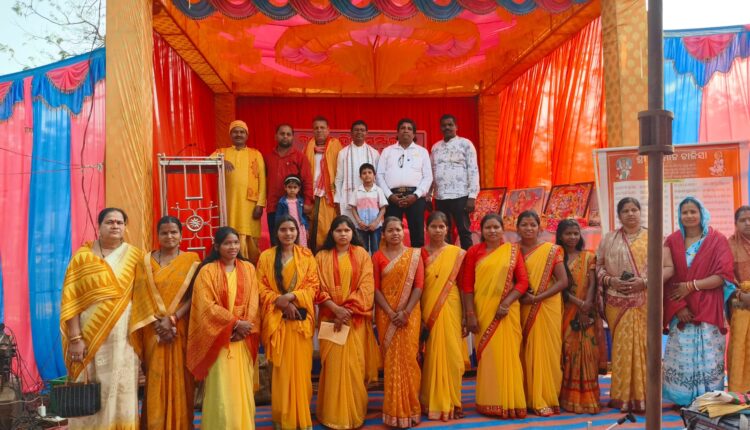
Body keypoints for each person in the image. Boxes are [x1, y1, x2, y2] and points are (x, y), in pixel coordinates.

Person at [60, 208, 142, 429]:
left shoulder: (135, 256)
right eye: (109, 222)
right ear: (99, 226)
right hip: (88, 335)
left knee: (121, 388)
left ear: (125, 227)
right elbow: (71, 300)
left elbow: (145, 298)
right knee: (88, 385)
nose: (115, 226)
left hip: (124, 337)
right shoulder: (82, 258)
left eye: (119, 222)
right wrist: (75, 338)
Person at [662, 197, 735, 407]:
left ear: (702, 213)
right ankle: (682, 398)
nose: (689, 216)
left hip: (709, 306)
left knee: (709, 354)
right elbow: (668, 278)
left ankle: (708, 398)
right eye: (684, 212)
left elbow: (723, 275)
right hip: (680, 306)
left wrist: (691, 285)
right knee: (681, 353)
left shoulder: (717, 240)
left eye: (693, 211)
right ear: (679, 216)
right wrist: (678, 308)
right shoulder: (672, 241)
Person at [129, 216, 200, 429]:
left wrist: (173, 319)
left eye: (174, 232)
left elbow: (195, 295)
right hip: (153, 330)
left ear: (181, 235)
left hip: (180, 327)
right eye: (164, 232)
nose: (169, 236)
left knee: (182, 380)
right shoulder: (144, 262)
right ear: (157, 235)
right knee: (155, 379)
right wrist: (159, 324)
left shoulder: (192, 260)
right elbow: (139, 297)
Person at [185, 226, 260, 429]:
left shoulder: (249, 268)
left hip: (242, 340)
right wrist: (234, 324)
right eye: (227, 243)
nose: (233, 247)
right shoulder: (207, 271)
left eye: (235, 242)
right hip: (218, 340)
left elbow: (254, 301)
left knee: (241, 387)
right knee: (221, 389)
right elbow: (206, 306)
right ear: (217, 246)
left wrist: (245, 326)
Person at [462, 213, 528, 418]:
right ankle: (489, 401)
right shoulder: (474, 252)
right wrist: (470, 314)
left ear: (503, 229)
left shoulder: (512, 251)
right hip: (484, 311)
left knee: (509, 355)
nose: (492, 231)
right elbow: (467, 286)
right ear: (481, 231)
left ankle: (511, 402)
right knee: (489, 356)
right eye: (488, 227)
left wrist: (506, 303)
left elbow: (523, 282)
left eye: (496, 227)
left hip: (507, 312)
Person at [315, 216, 378, 429]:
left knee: (354, 366)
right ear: (331, 233)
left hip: (354, 320)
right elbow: (317, 288)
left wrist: (347, 311)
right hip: (330, 318)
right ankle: (332, 414)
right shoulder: (321, 257)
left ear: (353, 233)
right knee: (332, 367)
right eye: (338, 230)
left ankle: (354, 413)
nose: (343, 234)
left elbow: (367, 286)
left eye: (347, 230)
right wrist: (336, 310)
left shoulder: (361, 254)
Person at [257, 215, 319, 430]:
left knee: (301, 373)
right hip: (277, 323)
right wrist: (280, 302)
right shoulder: (266, 257)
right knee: (281, 373)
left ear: (297, 231)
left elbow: (313, 286)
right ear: (276, 232)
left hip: (300, 324)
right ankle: (283, 419)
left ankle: (301, 419)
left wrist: (291, 297)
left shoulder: (306, 256)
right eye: (283, 229)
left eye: (292, 229)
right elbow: (260, 287)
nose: (288, 233)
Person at [596, 197, 648, 412]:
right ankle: (621, 396)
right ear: (619, 215)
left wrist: (644, 282)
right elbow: (598, 267)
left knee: (643, 347)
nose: (630, 213)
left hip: (643, 302)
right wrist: (611, 281)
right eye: (625, 210)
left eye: (634, 209)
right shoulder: (609, 239)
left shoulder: (653, 237)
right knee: (621, 349)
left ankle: (643, 396)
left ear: (640, 212)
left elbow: (664, 268)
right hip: (616, 302)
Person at [373, 216, 423, 427]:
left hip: (409, 315)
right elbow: (376, 289)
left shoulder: (414, 255)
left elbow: (418, 286)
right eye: (390, 230)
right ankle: (394, 410)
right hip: (386, 315)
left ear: (404, 232)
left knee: (409, 358)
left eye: (398, 229)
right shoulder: (377, 257)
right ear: (383, 234)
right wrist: (390, 312)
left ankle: (411, 408)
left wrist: (406, 312)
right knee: (392, 361)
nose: (395, 233)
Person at [516, 211, 567, 416]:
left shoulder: (551, 251)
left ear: (540, 228)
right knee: (523, 351)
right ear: (517, 228)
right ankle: (525, 397)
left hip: (546, 306)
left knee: (546, 352)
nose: (529, 228)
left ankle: (545, 397)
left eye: (533, 225)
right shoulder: (511, 251)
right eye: (524, 224)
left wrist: (537, 298)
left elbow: (563, 281)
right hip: (520, 306)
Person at [420, 211, 467, 420]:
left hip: (452, 304)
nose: (438, 230)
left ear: (447, 229)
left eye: (441, 226)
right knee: (432, 353)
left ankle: (453, 401)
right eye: (433, 226)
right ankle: (433, 401)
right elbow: (418, 286)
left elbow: (463, 285)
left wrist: (466, 315)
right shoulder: (420, 254)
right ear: (426, 229)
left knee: (452, 353)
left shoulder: (457, 253)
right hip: (429, 306)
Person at [556, 219, 601, 414]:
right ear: (560, 236)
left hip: (586, 311)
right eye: (568, 233)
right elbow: (560, 288)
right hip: (565, 311)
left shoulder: (588, 256)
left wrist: (586, 306)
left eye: (575, 233)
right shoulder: (556, 257)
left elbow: (592, 284)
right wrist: (579, 304)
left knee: (587, 353)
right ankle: (568, 398)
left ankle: (588, 398)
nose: (572, 237)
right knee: (568, 352)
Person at [211, 119, 266, 263]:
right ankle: (229, 262)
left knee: (250, 235)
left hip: (249, 204)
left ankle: (248, 265)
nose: (239, 134)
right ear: (230, 135)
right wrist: (220, 161)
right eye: (235, 132)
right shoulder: (221, 152)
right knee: (229, 230)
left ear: (247, 135)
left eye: (242, 132)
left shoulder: (256, 154)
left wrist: (260, 204)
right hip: (229, 202)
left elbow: (262, 180)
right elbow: (206, 162)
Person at [376, 118, 433, 248]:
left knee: (417, 234)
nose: (406, 131)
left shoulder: (422, 151)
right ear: (397, 132)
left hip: (415, 197)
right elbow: (379, 176)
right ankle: (392, 259)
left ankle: (417, 260)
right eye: (403, 128)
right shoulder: (387, 151)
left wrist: (416, 195)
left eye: (409, 129)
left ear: (414, 134)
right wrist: (390, 196)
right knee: (391, 232)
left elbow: (428, 177)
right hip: (392, 197)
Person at [429, 114, 480, 250]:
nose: (447, 127)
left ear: (456, 127)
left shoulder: (466, 144)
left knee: (463, 231)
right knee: (443, 231)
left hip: (461, 195)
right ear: (440, 128)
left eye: (450, 125)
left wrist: (472, 196)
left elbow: (473, 170)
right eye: (444, 125)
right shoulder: (435, 147)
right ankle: (446, 258)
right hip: (440, 196)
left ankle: (467, 259)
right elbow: (432, 172)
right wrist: (429, 195)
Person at [265, 124, 314, 244]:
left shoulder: (300, 157)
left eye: (288, 134)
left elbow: (307, 180)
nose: (285, 136)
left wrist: (307, 202)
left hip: (294, 207)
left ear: (293, 137)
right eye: (282, 134)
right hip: (273, 206)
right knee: (276, 242)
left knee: (297, 241)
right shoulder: (268, 157)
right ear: (276, 136)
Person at [305, 116, 342, 251]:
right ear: (313, 131)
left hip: (329, 195)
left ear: (328, 130)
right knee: (312, 228)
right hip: (312, 194)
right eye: (316, 128)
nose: (319, 130)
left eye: (322, 128)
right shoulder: (308, 147)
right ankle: (313, 256)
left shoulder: (336, 146)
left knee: (327, 227)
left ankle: (327, 255)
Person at [335, 120, 380, 221]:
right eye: (356, 130)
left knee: (368, 227)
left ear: (366, 133)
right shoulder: (343, 153)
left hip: (370, 200)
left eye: (362, 130)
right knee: (349, 228)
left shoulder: (374, 153)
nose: (359, 132)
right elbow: (339, 178)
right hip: (348, 199)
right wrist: (337, 199)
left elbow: (377, 178)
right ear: (351, 133)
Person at [729, 205, 750, 392]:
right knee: (740, 346)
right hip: (741, 303)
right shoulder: (729, 245)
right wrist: (741, 295)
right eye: (743, 220)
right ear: (735, 224)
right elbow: (725, 275)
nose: (748, 223)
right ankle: (740, 391)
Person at [348, 163, 388, 255]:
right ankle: (364, 263)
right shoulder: (357, 191)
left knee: (376, 249)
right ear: (360, 176)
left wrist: (376, 222)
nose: (367, 175)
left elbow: (383, 209)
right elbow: (353, 208)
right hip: (361, 226)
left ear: (374, 175)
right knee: (362, 249)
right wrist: (359, 222)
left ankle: (375, 264)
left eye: (370, 172)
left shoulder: (378, 190)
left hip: (376, 226)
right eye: (364, 173)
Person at [275, 175, 309, 248]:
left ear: (299, 188)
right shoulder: (282, 202)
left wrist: (306, 228)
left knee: (301, 245)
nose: (292, 190)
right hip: (288, 227)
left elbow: (303, 215)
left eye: (295, 187)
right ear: (285, 187)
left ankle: (300, 255)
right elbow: (278, 217)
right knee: (289, 243)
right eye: (290, 187)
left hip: (300, 226)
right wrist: (278, 228)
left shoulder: (300, 201)